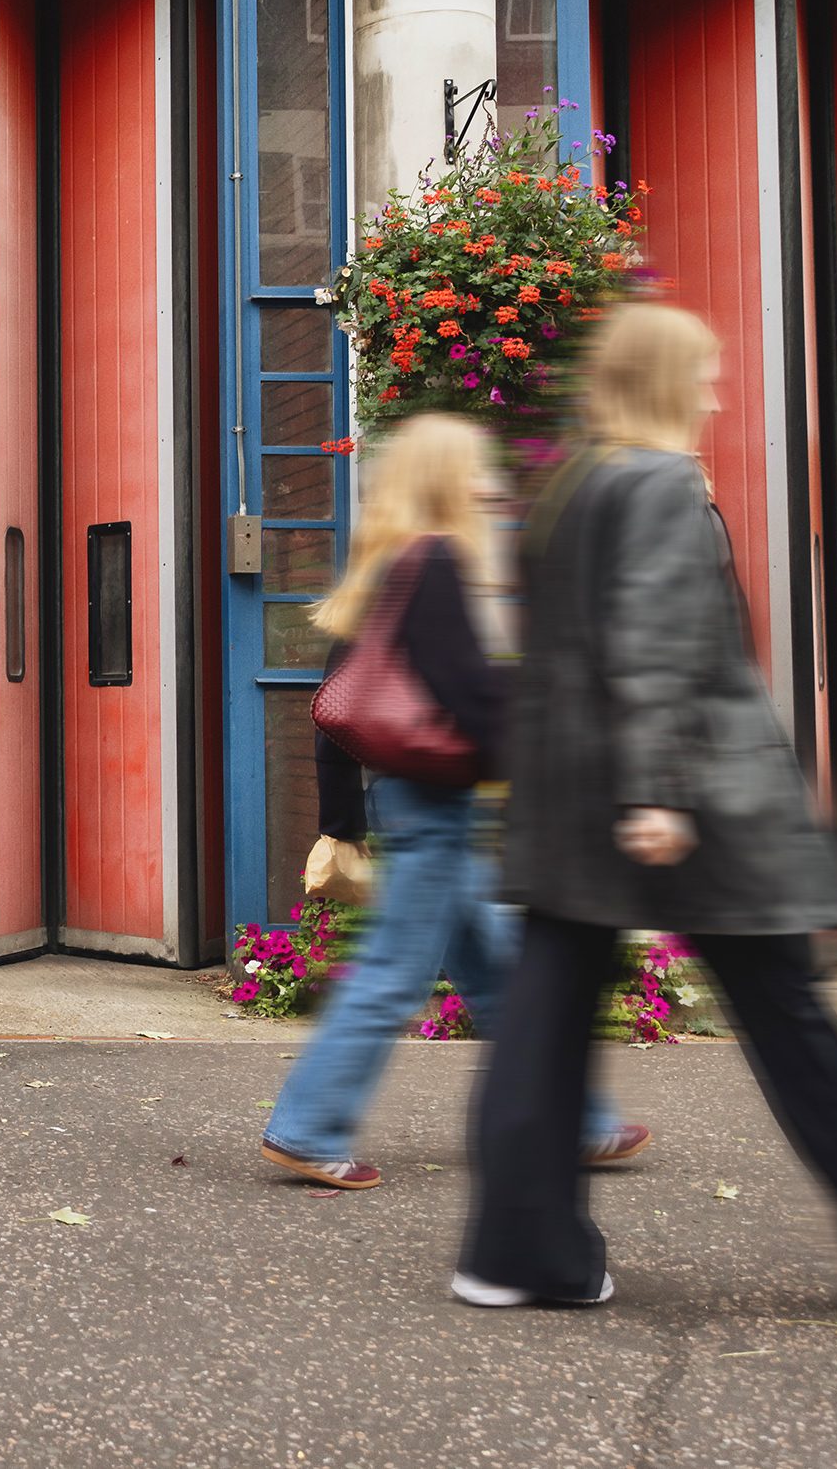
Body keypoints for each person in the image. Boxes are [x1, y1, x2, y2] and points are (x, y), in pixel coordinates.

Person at [455, 303, 837, 1310]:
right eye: (701, 374)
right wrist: (657, 791)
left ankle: (518, 1251)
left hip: (574, 811)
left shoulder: (572, 486)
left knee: (544, 1029)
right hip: (689, 809)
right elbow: (651, 643)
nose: (714, 392)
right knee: (792, 1021)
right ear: (660, 382)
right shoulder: (655, 483)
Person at [260, 413, 647, 1191]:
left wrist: (345, 817)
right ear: (444, 479)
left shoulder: (393, 565)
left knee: (501, 973)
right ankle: (306, 1126)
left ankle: (581, 1121)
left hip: (428, 804)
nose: (490, 483)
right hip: (436, 807)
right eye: (476, 469)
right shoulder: (436, 561)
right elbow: (469, 694)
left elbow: (335, 705)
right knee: (393, 976)